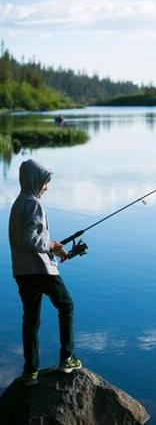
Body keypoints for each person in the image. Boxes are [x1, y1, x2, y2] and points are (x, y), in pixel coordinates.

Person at [9, 159, 82, 386]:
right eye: (45, 182)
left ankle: (30, 372)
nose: (47, 187)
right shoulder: (34, 203)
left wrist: (53, 245)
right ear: (34, 180)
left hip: (22, 271)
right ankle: (66, 358)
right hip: (40, 270)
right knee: (66, 305)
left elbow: (27, 239)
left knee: (31, 319)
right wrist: (51, 246)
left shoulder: (18, 203)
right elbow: (31, 240)